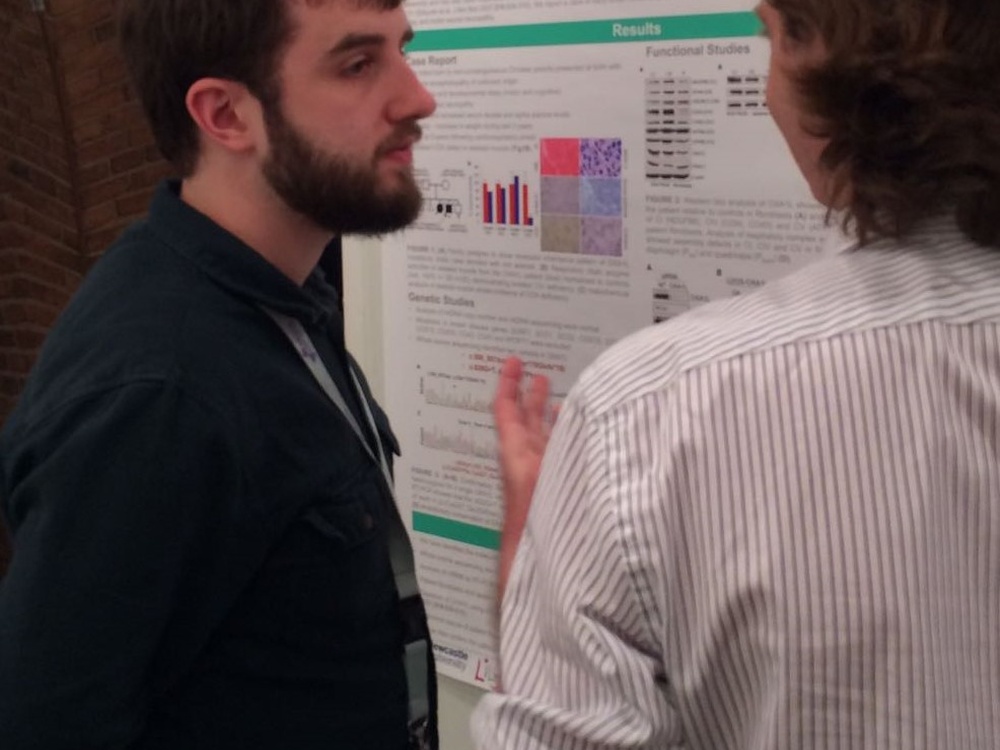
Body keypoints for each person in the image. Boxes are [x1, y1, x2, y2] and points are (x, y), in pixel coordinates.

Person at [474, 0, 1000, 747]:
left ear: (821, 60)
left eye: (770, 36)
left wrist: (542, 570)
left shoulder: (646, 412)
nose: (763, 89)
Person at [0, 0, 439, 748]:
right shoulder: (156, 394)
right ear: (226, 114)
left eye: (404, 49)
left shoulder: (279, 296)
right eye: (359, 64)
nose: (418, 97)